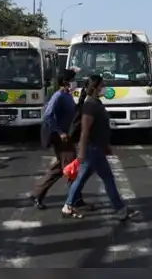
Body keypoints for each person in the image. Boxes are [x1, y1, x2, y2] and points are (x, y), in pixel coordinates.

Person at [61, 75, 140, 221]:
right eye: (102, 85)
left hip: (96, 148)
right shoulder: (90, 105)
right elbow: (85, 131)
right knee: (108, 179)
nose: (105, 88)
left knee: (81, 179)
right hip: (92, 150)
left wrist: (106, 146)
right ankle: (121, 210)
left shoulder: (95, 103)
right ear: (95, 88)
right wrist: (82, 153)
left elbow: (100, 128)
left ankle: (68, 205)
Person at [31, 69, 88, 210]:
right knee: (72, 169)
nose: (75, 82)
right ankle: (75, 200)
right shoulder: (58, 96)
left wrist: (81, 100)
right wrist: (60, 132)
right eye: (73, 79)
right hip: (61, 139)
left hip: (66, 137)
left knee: (58, 169)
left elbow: (73, 113)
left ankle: (38, 194)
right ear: (65, 82)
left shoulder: (67, 95)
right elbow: (48, 115)